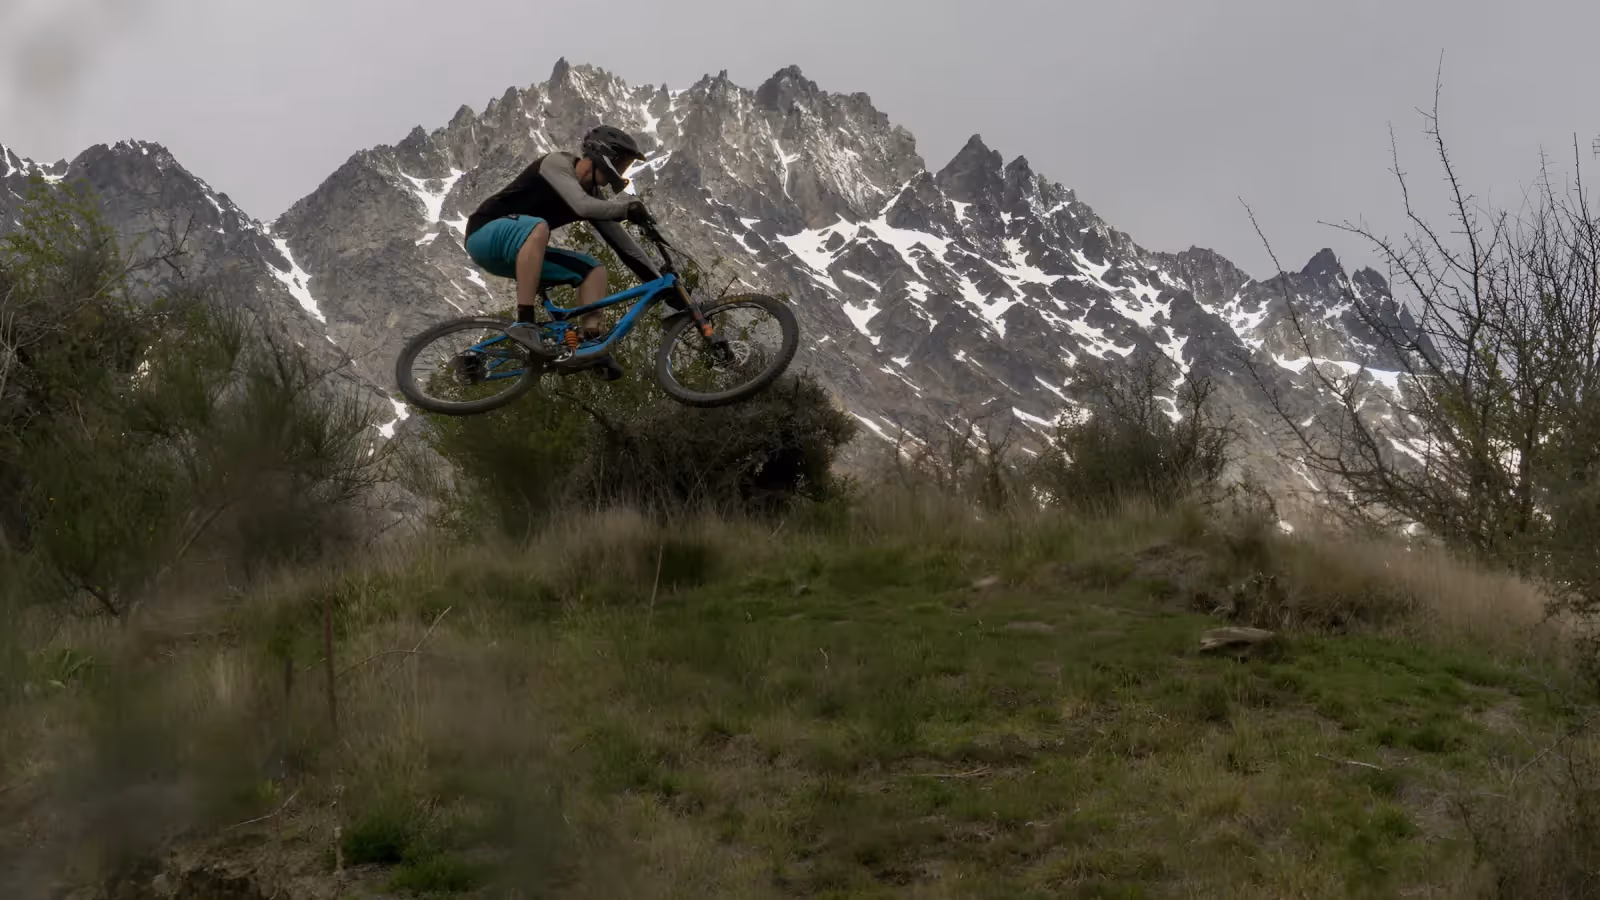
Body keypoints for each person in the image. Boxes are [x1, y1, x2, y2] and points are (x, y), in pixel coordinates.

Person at [462, 125, 659, 378]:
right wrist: (626, 209)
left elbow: (625, 247)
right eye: (622, 163)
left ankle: (590, 346)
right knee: (538, 226)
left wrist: (659, 282)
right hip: (484, 235)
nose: (622, 171)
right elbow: (582, 205)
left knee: (593, 270)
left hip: (519, 253)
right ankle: (524, 321)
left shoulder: (593, 197)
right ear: (604, 154)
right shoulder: (557, 163)